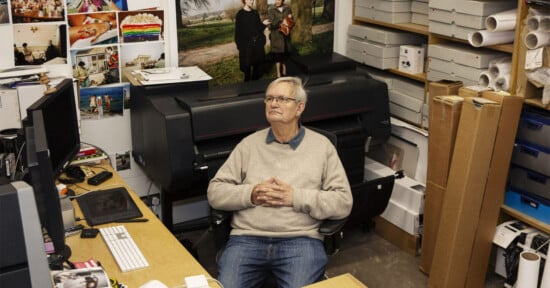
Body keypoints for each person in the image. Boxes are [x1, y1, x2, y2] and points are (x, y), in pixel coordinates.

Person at [207, 76, 353, 288]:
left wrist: (295, 197)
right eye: (269, 98)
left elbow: (342, 202)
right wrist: (251, 194)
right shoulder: (249, 145)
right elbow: (215, 191)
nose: (274, 103)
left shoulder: (322, 148)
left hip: (300, 241)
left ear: (299, 107)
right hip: (247, 239)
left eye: (282, 99)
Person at [234, 0, 270, 82]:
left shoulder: (255, 13)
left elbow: (258, 29)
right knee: (247, 70)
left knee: (256, 69)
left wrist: (263, 24)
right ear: (244, 1)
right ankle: (246, 90)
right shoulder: (240, 14)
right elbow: (237, 32)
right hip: (246, 46)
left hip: (257, 45)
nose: (252, 1)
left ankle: (255, 88)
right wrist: (240, 47)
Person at [268, 0, 293, 78]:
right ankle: (278, 73)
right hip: (276, 36)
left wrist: (290, 19)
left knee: (285, 55)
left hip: (285, 35)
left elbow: (291, 22)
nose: (277, 1)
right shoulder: (271, 9)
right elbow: (271, 25)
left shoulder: (287, 8)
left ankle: (285, 72)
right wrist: (282, 21)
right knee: (278, 56)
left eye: (279, 0)